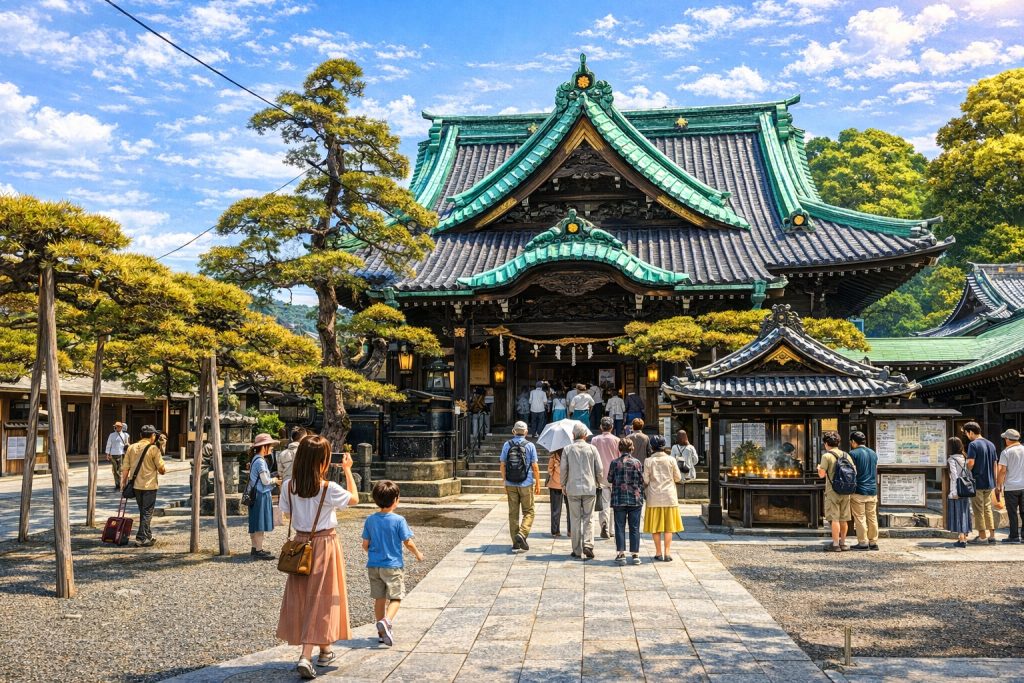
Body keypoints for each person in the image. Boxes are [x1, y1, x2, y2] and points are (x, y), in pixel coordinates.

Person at [277, 435, 359, 679]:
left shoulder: (288, 486)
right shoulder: (328, 489)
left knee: (305, 598)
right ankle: (306, 655)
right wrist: (347, 470)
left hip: (300, 545)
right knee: (322, 598)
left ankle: (325, 650)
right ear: (323, 461)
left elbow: (285, 513)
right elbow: (354, 499)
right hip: (324, 544)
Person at [362, 480, 424, 648]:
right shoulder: (398, 520)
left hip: (373, 565)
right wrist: (418, 554)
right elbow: (408, 542)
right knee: (396, 597)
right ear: (396, 499)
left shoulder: (370, 520)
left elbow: (365, 545)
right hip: (393, 565)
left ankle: (381, 634)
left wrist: (374, 554)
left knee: (379, 598)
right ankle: (387, 622)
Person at [560, 423, 603, 560]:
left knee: (575, 518)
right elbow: (600, 469)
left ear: (573, 435)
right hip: (590, 487)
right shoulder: (592, 449)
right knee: (589, 517)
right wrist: (598, 481)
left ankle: (577, 550)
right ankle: (588, 545)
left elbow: (563, 469)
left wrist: (563, 484)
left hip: (572, 488)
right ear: (585, 435)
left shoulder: (567, 449)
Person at [120, 425, 166, 548]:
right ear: (153, 436)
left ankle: (148, 534)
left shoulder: (131, 448)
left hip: (136, 486)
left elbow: (125, 468)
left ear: (141, 436)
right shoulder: (153, 449)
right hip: (149, 486)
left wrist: (123, 483)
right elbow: (162, 469)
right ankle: (141, 538)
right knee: (147, 512)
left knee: (143, 511)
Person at [500, 421, 541, 552]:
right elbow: (535, 466)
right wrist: (538, 483)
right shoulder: (530, 445)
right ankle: (522, 534)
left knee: (513, 513)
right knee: (529, 511)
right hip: (526, 483)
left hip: (510, 483)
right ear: (526, 432)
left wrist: (504, 481)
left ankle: (515, 542)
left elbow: (502, 464)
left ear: (513, 431)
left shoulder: (507, 444)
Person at [643, 435, 683, 561]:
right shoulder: (671, 460)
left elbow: (646, 479)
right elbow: (678, 478)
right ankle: (667, 552)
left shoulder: (648, 461)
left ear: (652, 447)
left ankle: (658, 552)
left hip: (654, 496)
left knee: (656, 527)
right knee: (668, 527)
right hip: (669, 496)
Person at [609, 437, 644, 565]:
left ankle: (621, 553)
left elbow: (609, 478)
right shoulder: (637, 463)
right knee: (634, 527)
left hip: (619, 498)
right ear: (632, 448)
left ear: (619, 449)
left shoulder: (614, 463)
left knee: (619, 526)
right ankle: (635, 554)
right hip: (635, 498)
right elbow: (642, 479)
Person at [248, 433, 282, 559]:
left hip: (254, 494)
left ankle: (255, 547)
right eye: (270, 446)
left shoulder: (255, 459)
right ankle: (258, 550)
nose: (272, 448)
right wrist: (275, 480)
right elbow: (265, 481)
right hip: (260, 495)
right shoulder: (260, 462)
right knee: (260, 523)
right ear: (264, 447)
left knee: (255, 522)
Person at [817, 431, 853, 552]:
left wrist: (818, 468)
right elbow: (855, 471)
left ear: (826, 443)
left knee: (835, 519)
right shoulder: (846, 455)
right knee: (844, 518)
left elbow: (821, 475)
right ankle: (843, 543)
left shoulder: (826, 456)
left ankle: (835, 544)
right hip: (846, 490)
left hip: (833, 490)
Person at [964, 422, 998, 544]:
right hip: (990, 482)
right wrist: (994, 481)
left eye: (967, 433)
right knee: (988, 508)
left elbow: (971, 463)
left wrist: (966, 469)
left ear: (971, 432)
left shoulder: (973, 445)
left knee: (978, 509)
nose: (967, 436)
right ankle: (992, 535)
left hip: (977, 482)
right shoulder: (991, 444)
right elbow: (995, 464)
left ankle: (982, 536)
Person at [848, 431, 879, 551]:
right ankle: (873, 542)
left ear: (853, 442)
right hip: (872, 490)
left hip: (859, 490)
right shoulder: (873, 453)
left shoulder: (853, 454)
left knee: (860, 517)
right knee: (872, 516)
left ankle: (863, 542)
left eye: (851, 442)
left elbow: (851, 472)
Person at [591, 417, 619, 539]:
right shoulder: (617, 440)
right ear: (612, 427)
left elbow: (592, 457)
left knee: (604, 503)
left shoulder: (595, 440)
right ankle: (611, 529)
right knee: (615, 504)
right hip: (615, 475)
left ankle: (604, 525)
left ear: (601, 427)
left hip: (601, 475)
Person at [996, 428, 1024, 544]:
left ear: (1008, 439)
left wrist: (999, 485)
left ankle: (1013, 536)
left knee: (1012, 513)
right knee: (1023, 512)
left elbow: (1002, 470)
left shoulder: (1006, 452)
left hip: (1011, 487)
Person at [947, 437, 973, 548]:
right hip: (966, 489)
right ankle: (964, 537)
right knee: (965, 512)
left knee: (958, 514)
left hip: (957, 490)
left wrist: (954, 491)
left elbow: (954, 476)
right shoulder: (964, 457)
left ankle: (962, 539)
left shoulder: (951, 459)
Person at [547, 449, 570, 537]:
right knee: (570, 509)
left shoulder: (553, 456)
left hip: (554, 485)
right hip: (567, 485)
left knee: (555, 509)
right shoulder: (569, 454)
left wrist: (555, 473)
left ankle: (555, 531)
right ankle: (570, 530)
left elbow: (550, 470)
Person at [105, 421, 130, 491]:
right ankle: (117, 483)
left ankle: (121, 483)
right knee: (115, 470)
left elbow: (127, 444)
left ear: (121, 427)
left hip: (121, 454)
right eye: (116, 426)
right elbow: (108, 444)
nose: (117, 428)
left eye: (118, 426)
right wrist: (107, 454)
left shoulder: (125, 435)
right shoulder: (111, 435)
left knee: (121, 470)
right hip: (113, 454)